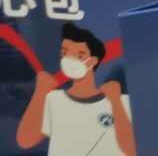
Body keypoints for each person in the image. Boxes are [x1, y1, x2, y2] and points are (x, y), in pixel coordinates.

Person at [15, 23, 136, 156]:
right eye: (65, 53)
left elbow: (131, 150)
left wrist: (115, 102)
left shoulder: (120, 101)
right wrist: (40, 92)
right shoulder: (54, 100)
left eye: (79, 55)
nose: (70, 60)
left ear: (92, 61)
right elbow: (25, 140)